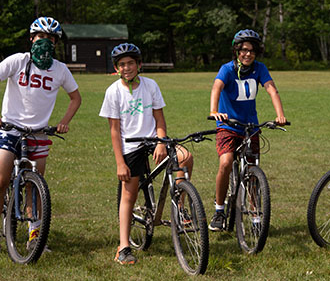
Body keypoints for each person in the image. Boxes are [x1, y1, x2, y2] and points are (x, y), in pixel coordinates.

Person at [99, 43, 193, 265]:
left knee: (185, 157)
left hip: (153, 140)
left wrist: (161, 142)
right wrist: (120, 163)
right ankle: (123, 246)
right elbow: (114, 130)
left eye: (130, 63)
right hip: (130, 146)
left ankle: (180, 209)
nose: (127, 67)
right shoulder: (113, 91)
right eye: (122, 64)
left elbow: (160, 119)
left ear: (139, 65)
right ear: (116, 68)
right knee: (128, 194)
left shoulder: (150, 85)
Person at [0, 17, 82, 247]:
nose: (45, 42)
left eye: (50, 38)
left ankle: (34, 238)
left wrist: (64, 121)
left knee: (34, 187)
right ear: (31, 38)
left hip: (38, 134)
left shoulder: (60, 70)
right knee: (1, 178)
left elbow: (76, 98)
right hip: (11, 129)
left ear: (55, 42)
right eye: (41, 37)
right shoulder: (18, 61)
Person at [208, 30, 286, 231]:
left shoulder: (260, 69)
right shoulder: (227, 69)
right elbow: (217, 87)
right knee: (226, 162)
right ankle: (219, 210)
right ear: (237, 51)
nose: (247, 54)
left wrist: (280, 115)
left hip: (250, 127)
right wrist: (214, 111)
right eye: (243, 50)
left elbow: (271, 89)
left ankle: (255, 218)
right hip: (228, 125)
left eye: (251, 51)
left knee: (252, 171)